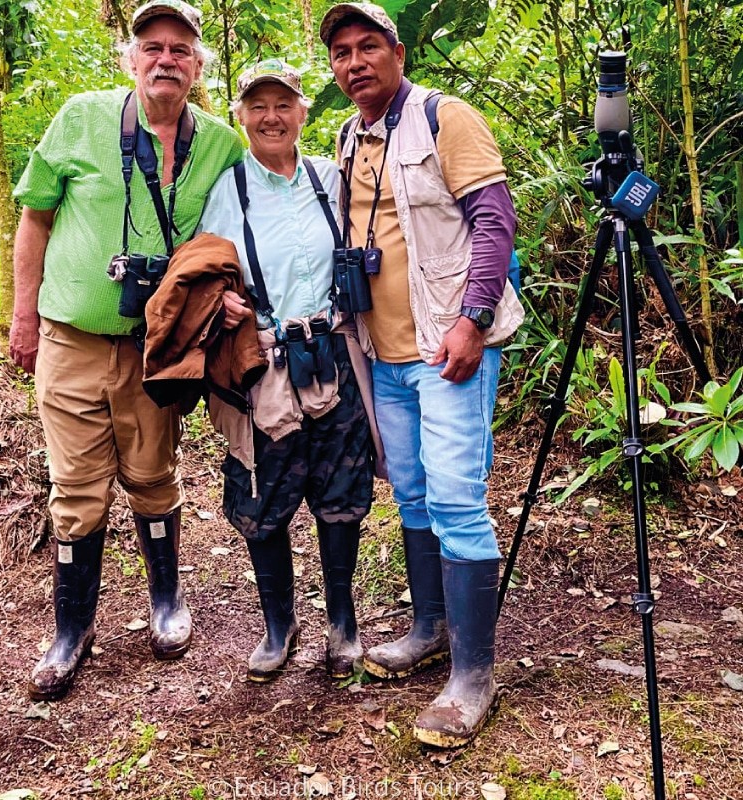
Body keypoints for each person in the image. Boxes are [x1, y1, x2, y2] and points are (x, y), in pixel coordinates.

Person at [9, 0, 243, 701]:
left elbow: (236, 237)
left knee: (152, 473)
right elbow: (36, 215)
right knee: (76, 490)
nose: (165, 58)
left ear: (198, 66)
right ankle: (71, 628)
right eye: (152, 46)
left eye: (180, 48)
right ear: (130, 57)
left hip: (157, 348)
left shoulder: (222, 144)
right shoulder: (81, 117)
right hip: (73, 340)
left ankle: (166, 603)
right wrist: (23, 316)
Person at [319, 2, 524, 747]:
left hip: (449, 346)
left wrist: (472, 321)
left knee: (457, 499)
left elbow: (495, 220)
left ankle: (474, 675)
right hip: (384, 354)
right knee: (411, 491)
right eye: (341, 52)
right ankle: (430, 627)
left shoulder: (445, 117)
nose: (354, 62)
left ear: (397, 52)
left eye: (367, 46)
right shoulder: (347, 138)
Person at [194, 59, 379, 683]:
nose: (271, 118)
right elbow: (197, 269)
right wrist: (219, 297)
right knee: (261, 497)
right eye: (257, 106)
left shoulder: (331, 177)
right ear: (240, 115)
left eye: (283, 105)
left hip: (333, 356)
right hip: (263, 366)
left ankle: (342, 623)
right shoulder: (227, 189)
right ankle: (279, 625)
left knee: (342, 492)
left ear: (304, 112)